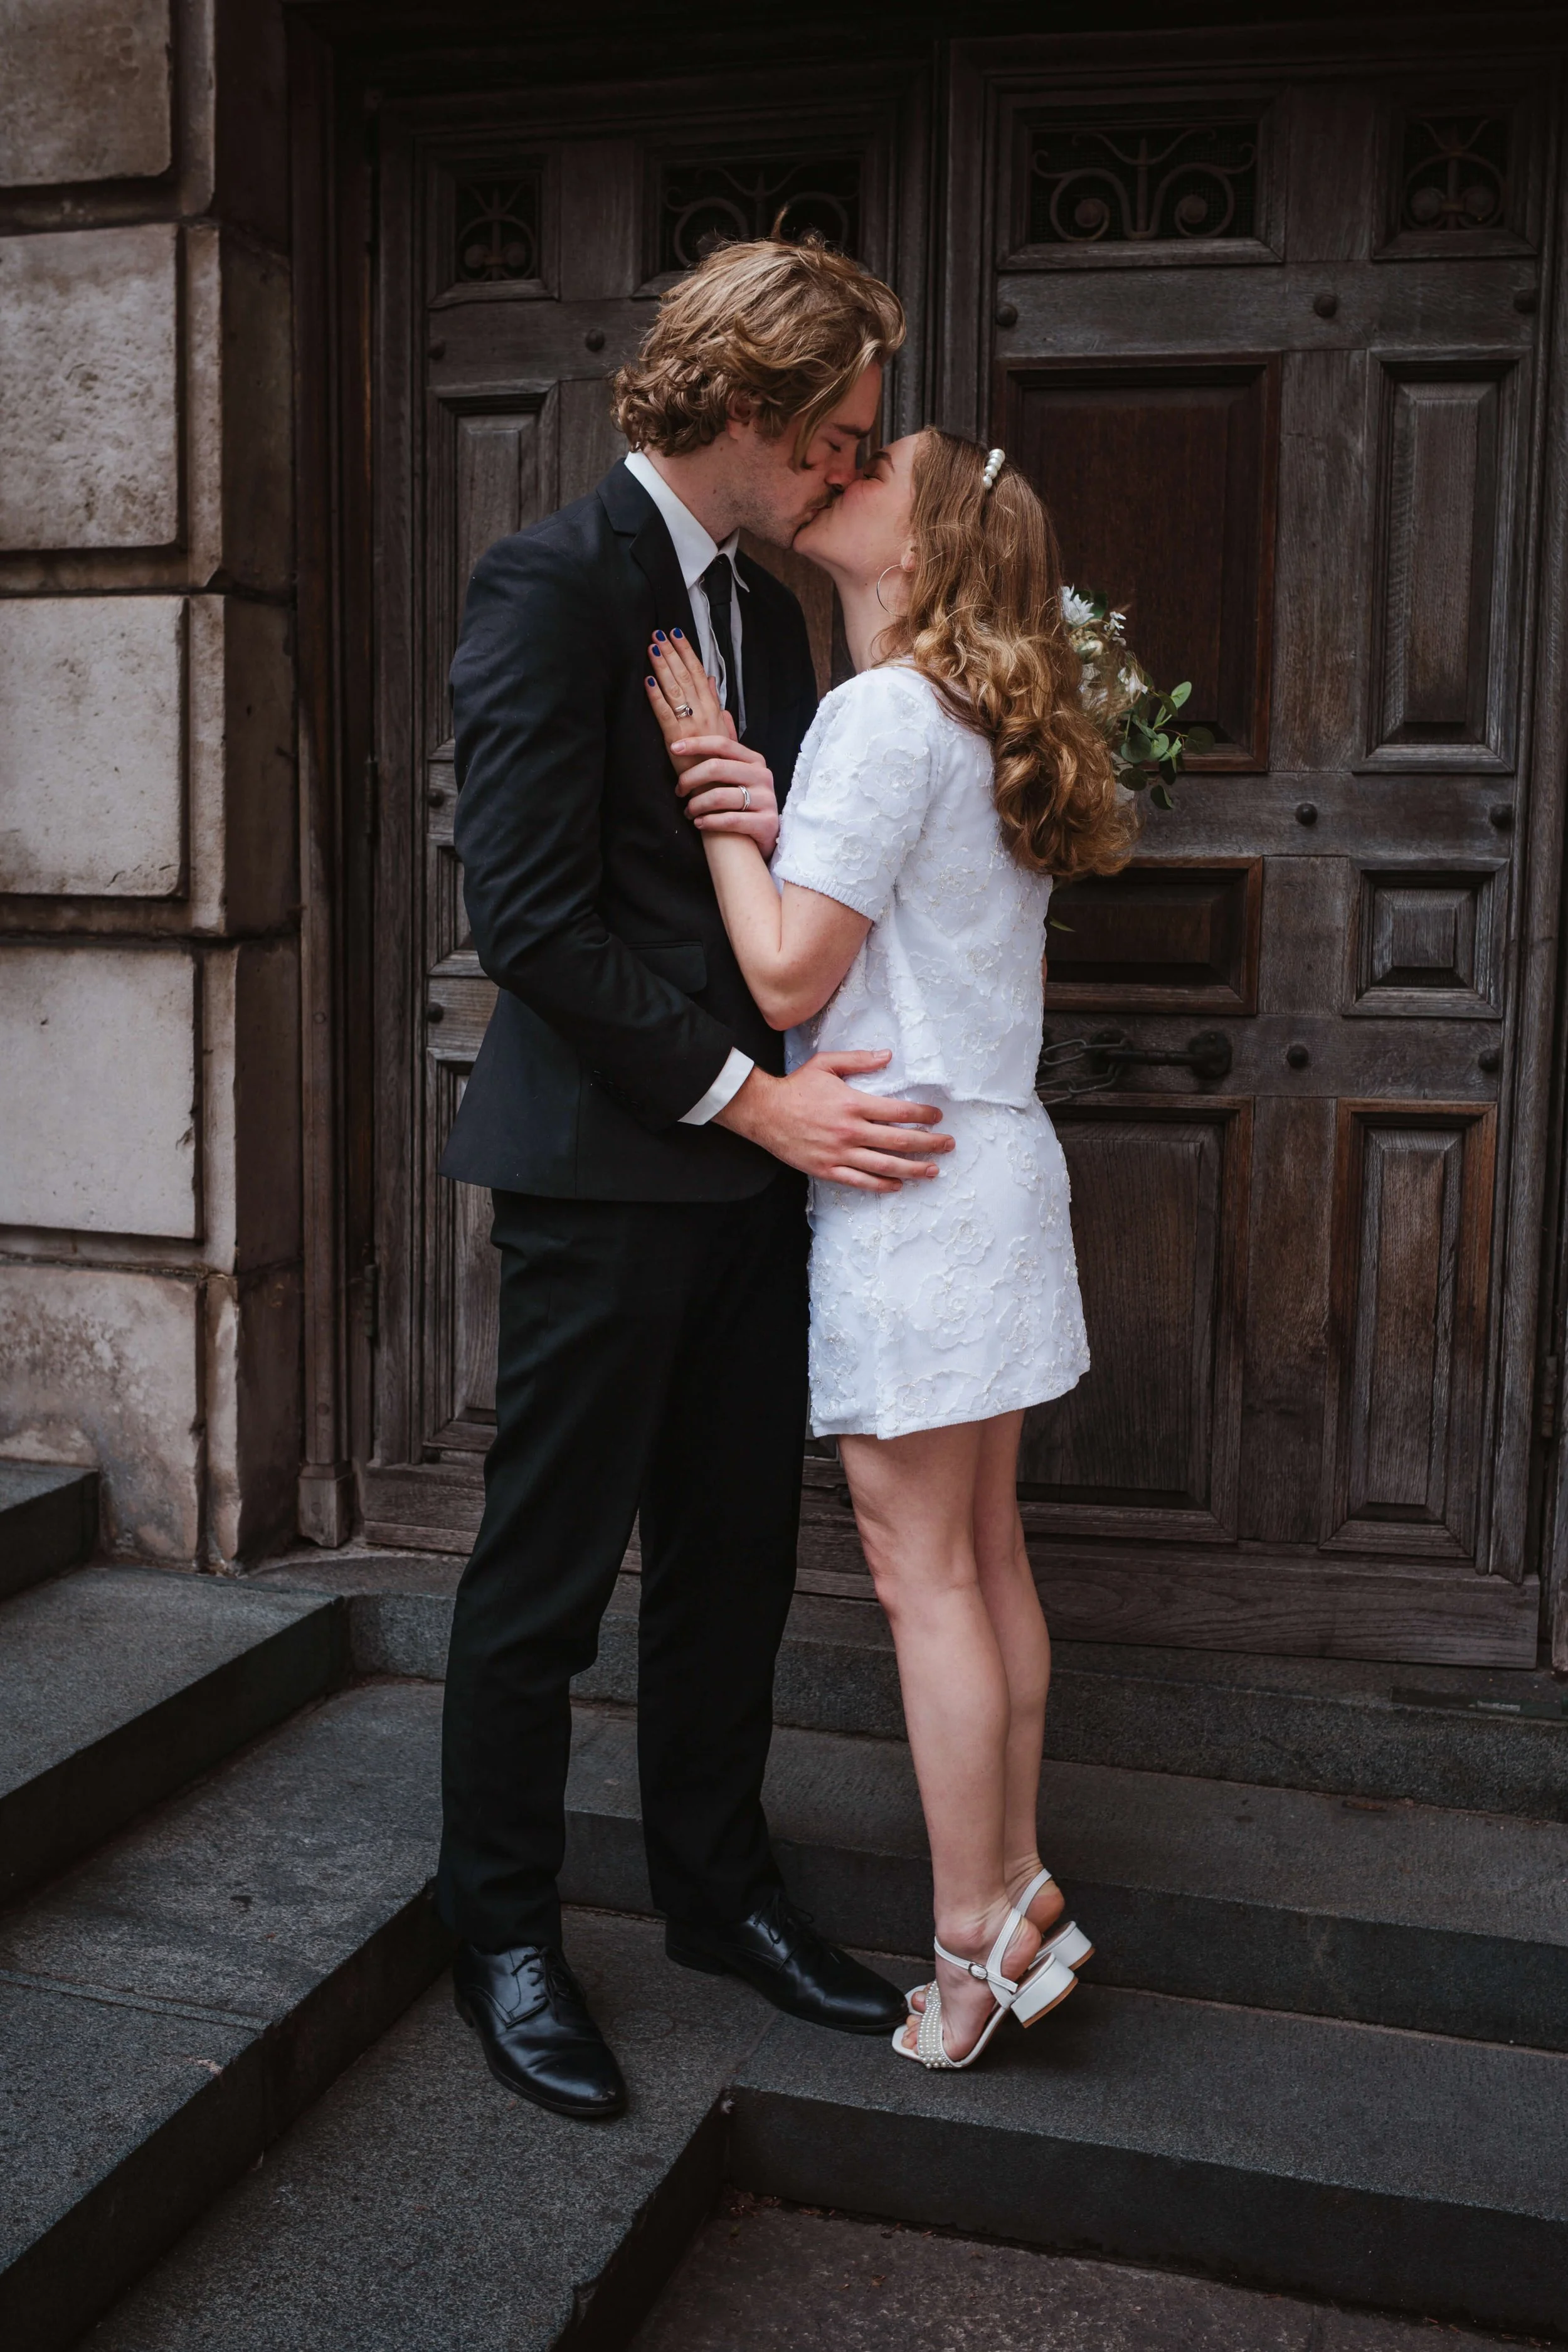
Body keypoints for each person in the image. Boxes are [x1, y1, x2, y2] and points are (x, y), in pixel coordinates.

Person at [436, 236, 948, 2121]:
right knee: (544, 1581)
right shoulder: (550, 582)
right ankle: (495, 1932)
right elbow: (535, 922)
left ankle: (718, 1895)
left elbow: (784, 891)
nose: (846, 469)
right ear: (746, 414)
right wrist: (760, 1101)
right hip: (607, 1171)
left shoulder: (782, 617)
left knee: (733, 1567)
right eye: (835, 437)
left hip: (757, 1183)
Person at [643, 429, 1136, 2068]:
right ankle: (1010, 1889)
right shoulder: (983, 724)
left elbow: (785, 979)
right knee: (983, 1558)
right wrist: (782, 814)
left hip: (903, 1186)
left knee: (928, 1572)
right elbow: (882, 926)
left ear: (918, 556)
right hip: (988, 1167)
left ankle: (966, 1945)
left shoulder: (875, 712)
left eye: (873, 474)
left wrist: (722, 799)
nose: (833, 472)